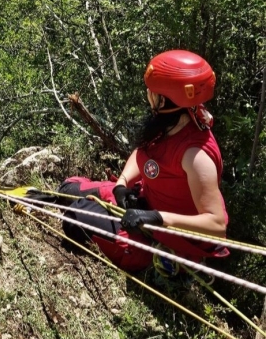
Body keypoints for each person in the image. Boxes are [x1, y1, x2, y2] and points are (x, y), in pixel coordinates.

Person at [58, 50, 229, 273]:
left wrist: (157, 217)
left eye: (153, 91)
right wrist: (122, 183)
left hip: (166, 235)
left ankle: (155, 265)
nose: (149, 94)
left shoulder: (195, 156)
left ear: (166, 98)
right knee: (68, 188)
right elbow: (143, 154)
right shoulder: (171, 120)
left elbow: (217, 225)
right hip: (146, 202)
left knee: (75, 218)